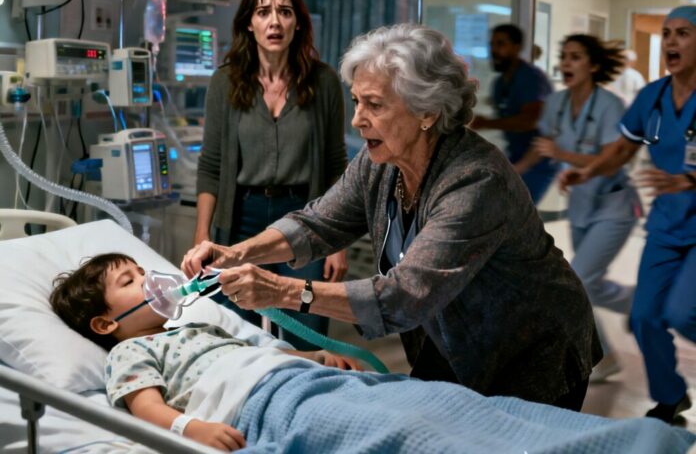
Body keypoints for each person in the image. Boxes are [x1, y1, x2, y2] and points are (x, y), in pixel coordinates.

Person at [183, 24, 601, 410]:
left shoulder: (476, 181)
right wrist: (235, 253)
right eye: (356, 101)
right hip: (452, 330)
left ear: (427, 112)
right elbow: (317, 223)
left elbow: (404, 295)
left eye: (375, 105)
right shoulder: (379, 163)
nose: (357, 119)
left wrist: (279, 291)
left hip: (531, 346)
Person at [49, 253, 696, 454]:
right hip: (269, 411)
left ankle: (630, 443)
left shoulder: (196, 326)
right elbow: (144, 406)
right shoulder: (130, 354)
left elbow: (259, 350)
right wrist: (192, 429)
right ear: (106, 322)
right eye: (131, 281)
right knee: (415, 431)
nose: (152, 280)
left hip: (305, 382)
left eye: (143, 268)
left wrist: (318, 359)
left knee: (452, 403)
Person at [195, 0, 348, 349]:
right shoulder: (225, 82)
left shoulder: (324, 82)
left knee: (306, 332)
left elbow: (335, 166)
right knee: (235, 334)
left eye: (285, 11)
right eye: (264, 12)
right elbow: (211, 165)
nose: (274, 21)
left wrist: (338, 243)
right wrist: (203, 236)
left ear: (298, 23)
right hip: (241, 218)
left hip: (306, 218)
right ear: (249, 23)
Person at [559, 6, 696, 424]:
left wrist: (690, 180)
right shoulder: (652, 97)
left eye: (683, 33)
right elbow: (621, 149)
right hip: (667, 225)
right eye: (667, 33)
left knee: (681, 314)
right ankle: (671, 396)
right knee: (643, 317)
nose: (671, 41)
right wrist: (588, 171)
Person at [514, 34, 641, 382]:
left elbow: (611, 161)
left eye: (575, 57)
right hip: (581, 205)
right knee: (588, 282)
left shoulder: (611, 105)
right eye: (564, 56)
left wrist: (563, 154)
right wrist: (512, 170)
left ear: (594, 65)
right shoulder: (556, 103)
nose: (565, 63)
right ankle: (643, 303)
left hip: (614, 205)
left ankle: (605, 356)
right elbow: (542, 146)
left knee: (579, 279)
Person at [470, 24, 558, 203]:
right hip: (516, 154)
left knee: (515, 209)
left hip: (539, 160)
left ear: (517, 47)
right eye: (492, 44)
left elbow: (530, 121)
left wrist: (487, 123)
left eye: (501, 44)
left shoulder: (531, 78)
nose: (494, 50)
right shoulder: (499, 83)